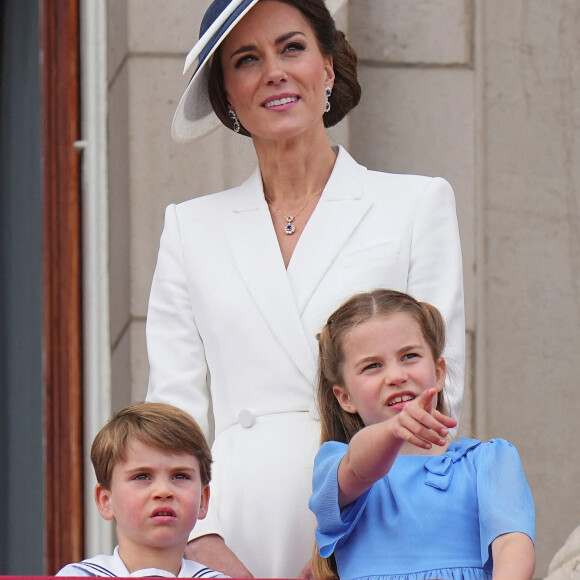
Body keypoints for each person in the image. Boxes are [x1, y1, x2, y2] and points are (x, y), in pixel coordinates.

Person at [146, 0, 465, 577]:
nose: (274, 71)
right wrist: (202, 543)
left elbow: (439, 393)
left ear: (328, 68)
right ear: (228, 95)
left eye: (291, 47)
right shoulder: (189, 228)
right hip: (237, 528)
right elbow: (171, 415)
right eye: (247, 59)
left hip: (380, 518)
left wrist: (357, 536)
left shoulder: (416, 204)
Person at [309, 289, 535, 580]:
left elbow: (513, 545)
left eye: (409, 356)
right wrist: (393, 430)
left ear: (439, 373)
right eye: (372, 366)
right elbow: (359, 466)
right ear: (344, 397)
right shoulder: (335, 464)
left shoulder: (489, 460)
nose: (395, 376)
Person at [57, 402, 227, 578]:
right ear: (106, 501)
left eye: (180, 476)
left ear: (203, 500)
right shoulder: (76, 577)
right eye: (142, 476)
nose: (163, 491)